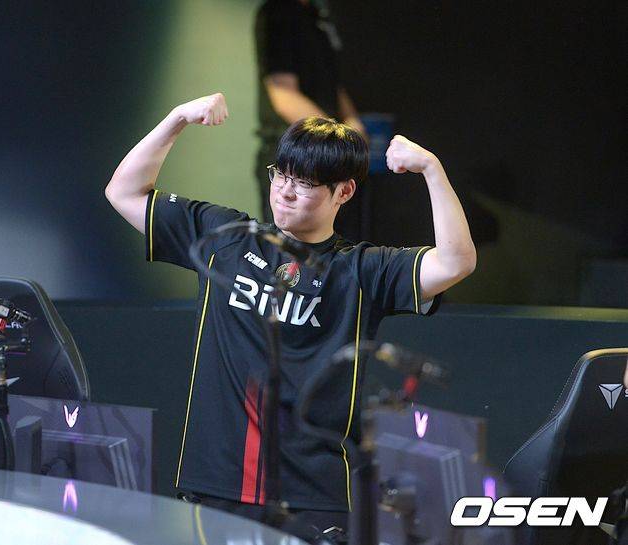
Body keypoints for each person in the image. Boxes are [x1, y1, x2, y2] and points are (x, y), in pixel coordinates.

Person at [104, 92, 476, 538]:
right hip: (214, 483)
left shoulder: (362, 269)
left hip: (314, 496)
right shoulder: (227, 239)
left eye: (304, 183)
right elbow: (123, 192)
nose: (284, 190)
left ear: (344, 191)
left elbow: (456, 262)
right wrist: (177, 118)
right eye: (280, 174)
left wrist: (431, 169)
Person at [255, 0, 365, 227]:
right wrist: (337, 137)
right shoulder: (278, 13)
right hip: (296, 152)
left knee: (334, 241)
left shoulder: (317, 15)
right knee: (289, 243)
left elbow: (333, 85)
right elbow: (282, 93)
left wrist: (353, 122)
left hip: (330, 155)